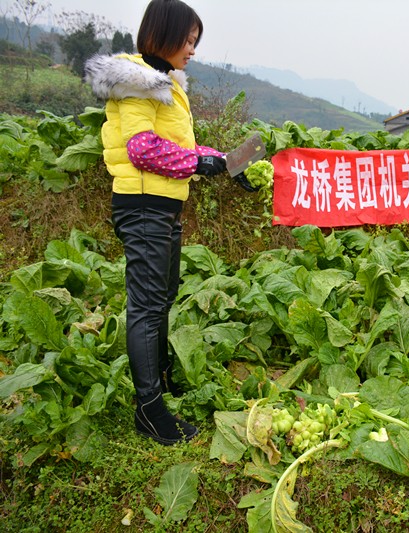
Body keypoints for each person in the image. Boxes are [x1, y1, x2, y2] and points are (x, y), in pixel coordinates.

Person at [84, 0, 245, 445]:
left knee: (163, 297)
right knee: (147, 306)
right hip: (142, 205)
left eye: (196, 42)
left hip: (164, 206)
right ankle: (150, 410)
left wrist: (227, 163)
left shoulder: (167, 84)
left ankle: (162, 382)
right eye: (188, 41)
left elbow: (179, 145)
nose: (192, 50)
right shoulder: (138, 83)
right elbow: (142, 149)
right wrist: (198, 162)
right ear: (165, 35)